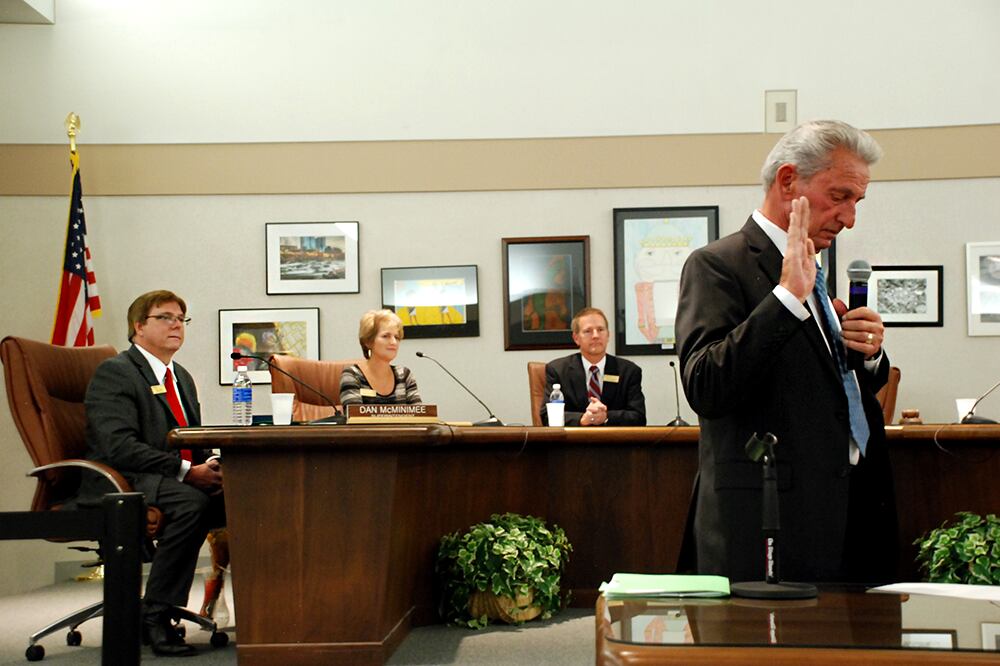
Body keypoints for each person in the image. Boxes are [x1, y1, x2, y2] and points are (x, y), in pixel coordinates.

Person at [675, 120, 898, 584]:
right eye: (839, 197)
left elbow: (828, 387)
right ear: (788, 180)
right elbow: (705, 386)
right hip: (769, 520)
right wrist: (784, 301)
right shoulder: (717, 265)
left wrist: (869, 354)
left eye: (857, 202)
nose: (850, 217)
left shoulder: (813, 270)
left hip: (849, 507)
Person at [82, 290, 225, 657]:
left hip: (165, 476)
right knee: (192, 503)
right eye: (165, 317)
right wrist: (185, 471)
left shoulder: (182, 377)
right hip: (122, 479)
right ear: (139, 327)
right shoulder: (117, 371)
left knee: (242, 495)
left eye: (182, 318)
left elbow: (191, 438)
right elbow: (119, 447)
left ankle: (271, 613)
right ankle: (155, 615)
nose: (177, 324)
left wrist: (209, 463)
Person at [540, 307, 646, 426]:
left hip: (615, 442)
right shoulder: (558, 370)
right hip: (573, 442)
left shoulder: (629, 371)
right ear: (576, 338)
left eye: (600, 329)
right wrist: (582, 419)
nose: (595, 335)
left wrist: (606, 416)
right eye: (588, 331)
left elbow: (639, 417)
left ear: (608, 335)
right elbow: (546, 417)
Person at [340, 309, 421, 405]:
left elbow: (420, 416)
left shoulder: (404, 375)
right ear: (368, 341)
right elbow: (355, 418)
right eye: (386, 336)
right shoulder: (352, 376)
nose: (394, 342)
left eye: (397, 337)